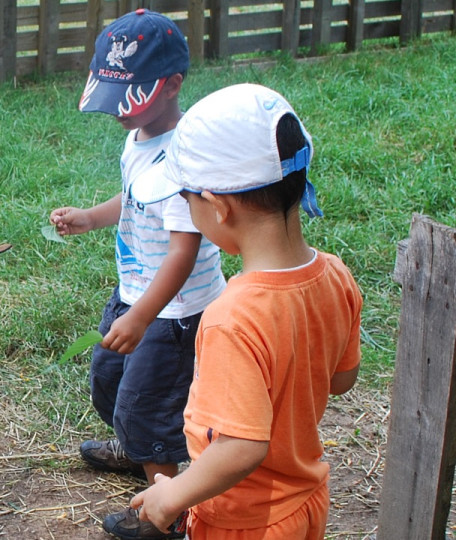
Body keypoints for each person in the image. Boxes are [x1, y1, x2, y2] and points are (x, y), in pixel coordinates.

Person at [127, 83, 362, 539]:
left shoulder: (231, 317)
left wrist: (170, 495)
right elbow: (341, 380)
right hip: (306, 499)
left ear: (218, 207)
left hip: (245, 520)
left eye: (185, 198)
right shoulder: (336, 274)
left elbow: (241, 447)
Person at [49, 10, 226, 539]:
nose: (117, 111)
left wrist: (144, 317)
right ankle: (135, 450)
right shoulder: (139, 138)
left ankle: (165, 508)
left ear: (172, 84)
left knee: (146, 406)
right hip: (136, 295)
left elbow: (184, 253)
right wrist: (91, 218)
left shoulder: (183, 157)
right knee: (109, 382)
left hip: (173, 314)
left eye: (132, 93)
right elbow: (130, 200)